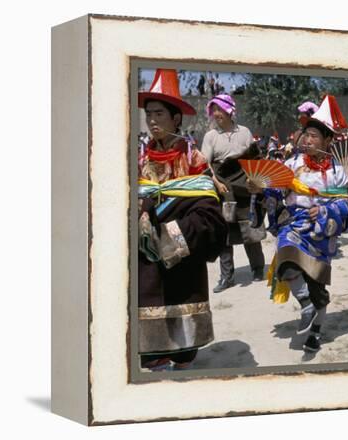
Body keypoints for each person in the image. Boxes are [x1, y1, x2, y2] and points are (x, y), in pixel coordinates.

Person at [137, 69, 228, 371]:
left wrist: (168, 234)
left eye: (159, 113)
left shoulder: (194, 160)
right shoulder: (138, 160)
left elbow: (209, 217)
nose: (152, 121)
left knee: (183, 351)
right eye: (149, 114)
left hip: (183, 258)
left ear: (176, 118)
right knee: (150, 351)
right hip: (146, 263)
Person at [252, 95, 348, 352]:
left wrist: (324, 210)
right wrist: (263, 187)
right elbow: (274, 190)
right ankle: (304, 304)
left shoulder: (337, 172)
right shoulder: (292, 163)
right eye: (305, 134)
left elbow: (343, 206)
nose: (307, 140)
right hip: (294, 226)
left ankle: (315, 332)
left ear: (328, 140)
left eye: (314, 136)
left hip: (321, 233)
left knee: (319, 288)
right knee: (285, 259)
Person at [201, 94, 266, 293]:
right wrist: (217, 184)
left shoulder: (244, 132)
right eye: (214, 110)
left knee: (250, 228)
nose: (216, 114)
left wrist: (253, 180)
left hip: (245, 187)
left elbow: (254, 159)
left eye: (220, 109)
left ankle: (257, 269)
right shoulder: (210, 136)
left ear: (229, 110)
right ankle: (226, 277)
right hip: (223, 187)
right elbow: (205, 164)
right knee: (224, 233)